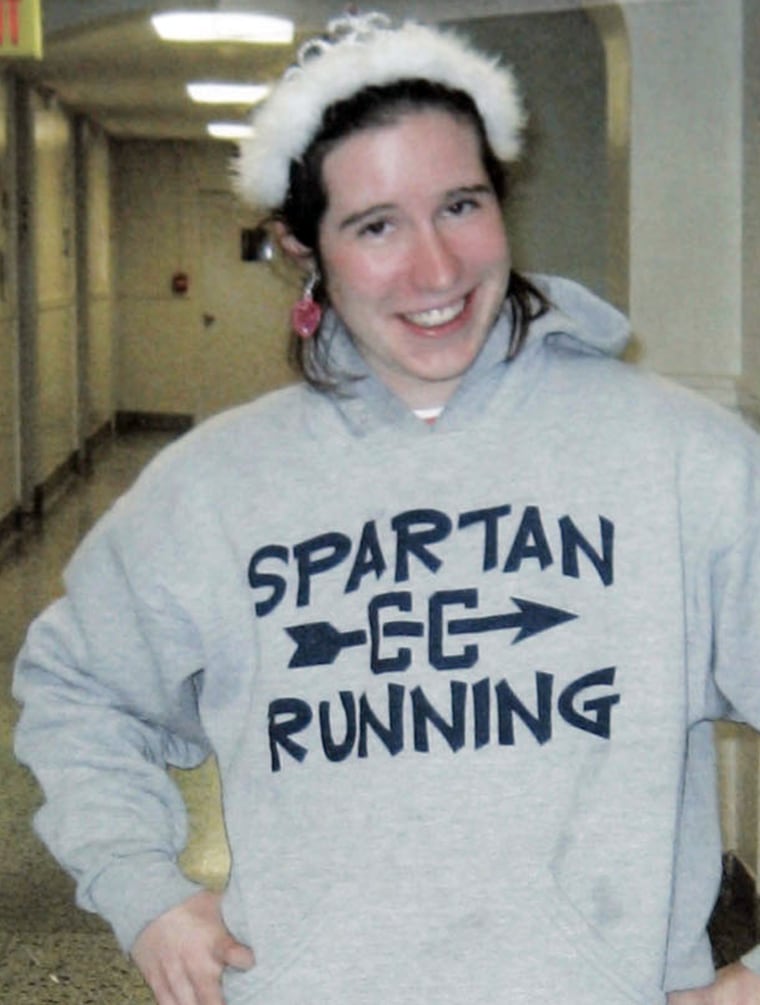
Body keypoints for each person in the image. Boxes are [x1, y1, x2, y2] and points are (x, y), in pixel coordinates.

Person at [12, 10, 760, 1005]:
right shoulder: (216, 489)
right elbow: (77, 689)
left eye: (460, 205)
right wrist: (143, 890)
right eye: (375, 226)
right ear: (297, 243)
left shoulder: (681, 462)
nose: (436, 270)